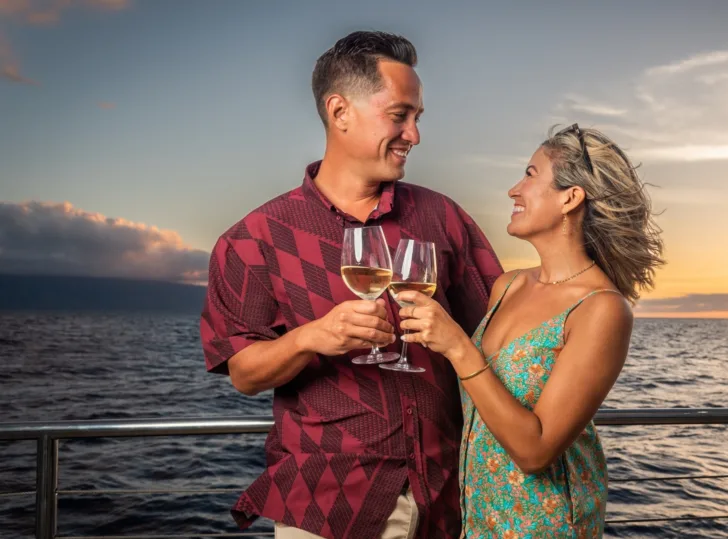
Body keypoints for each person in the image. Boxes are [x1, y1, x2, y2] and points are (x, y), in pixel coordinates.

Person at [200, 31, 503, 539]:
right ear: (339, 112)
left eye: (418, 118)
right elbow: (244, 375)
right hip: (328, 508)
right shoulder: (252, 241)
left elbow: (497, 327)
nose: (415, 134)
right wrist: (309, 338)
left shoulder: (443, 217)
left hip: (450, 498)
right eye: (400, 115)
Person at [394, 124, 665, 537]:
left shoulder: (602, 309)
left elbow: (535, 451)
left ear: (570, 198)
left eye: (531, 174)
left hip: (544, 523)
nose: (513, 190)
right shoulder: (509, 286)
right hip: (478, 517)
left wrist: (458, 347)